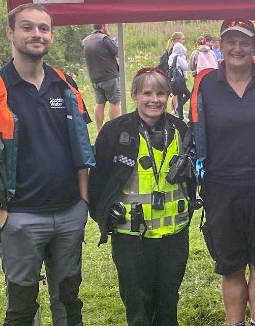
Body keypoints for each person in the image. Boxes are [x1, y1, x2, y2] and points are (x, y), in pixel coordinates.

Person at [0, 3, 94, 325]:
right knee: (21, 307)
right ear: (10, 32)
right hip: (20, 216)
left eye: (43, 28)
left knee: (68, 300)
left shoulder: (66, 84)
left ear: (51, 35)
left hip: (68, 214)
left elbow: (81, 148)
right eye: (28, 27)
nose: (37, 34)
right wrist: (0, 214)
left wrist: (83, 202)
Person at [191, 19, 255, 326]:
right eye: (231, 41)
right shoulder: (205, 84)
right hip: (221, 186)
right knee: (231, 265)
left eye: (244, 42)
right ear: (220, 44)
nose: (237, 48)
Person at [88, 67, 197, 325]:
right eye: (147, 93)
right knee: (138, 305)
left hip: (174, 235)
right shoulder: (114, 132)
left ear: (169, 96)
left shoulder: (181, 130)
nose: (154, 99)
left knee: (168, 302)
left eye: (160, 93)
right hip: (131, 238)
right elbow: (97, 184)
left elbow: (194, 177)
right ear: (134, 95)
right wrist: (103, 217)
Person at [82, 23, 121, 128]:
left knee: (99, 103)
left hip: (94, 78)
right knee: (115, 103)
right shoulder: (104, 39)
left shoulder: (85, 41)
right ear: (103, 26)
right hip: (109, 77)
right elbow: (118, 52)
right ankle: (114, 129)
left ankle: (100, 130)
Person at [166, 32, 189, 119]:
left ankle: (180, 115)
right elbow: (185, 67)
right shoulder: (179, 57)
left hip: (174, 80)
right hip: (180, 80)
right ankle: (178, 111)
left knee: (179, 97)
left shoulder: (171, 56)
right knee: (187, 95)